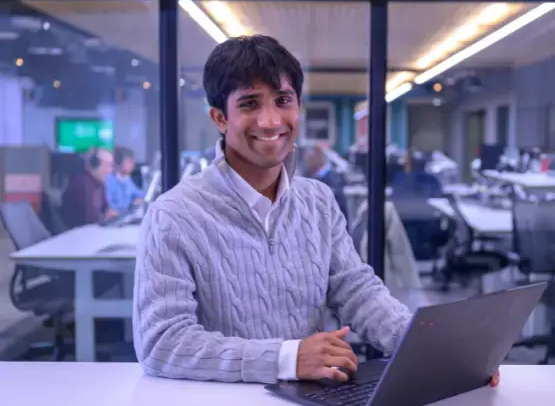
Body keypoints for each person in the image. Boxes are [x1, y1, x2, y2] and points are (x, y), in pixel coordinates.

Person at [133, 34, 500, 387]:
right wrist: (287, 358)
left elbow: (357, 292)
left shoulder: (317, 201)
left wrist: (432, 352)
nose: (271, 121)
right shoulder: (174, 216)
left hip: (312, 395)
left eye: (283, 100)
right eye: (249, 104)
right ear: (220, 118)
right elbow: (163, 342)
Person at [61, 147, 118, 228]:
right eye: (109, 165)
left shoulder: (99, 183)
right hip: (79, 235)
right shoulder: (83, 183)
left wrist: (112, 214)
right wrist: (105, 217)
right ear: (95, 164)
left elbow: (105, 209)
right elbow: (89, 219)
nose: (110, 170)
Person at [302, 144, 349, 223]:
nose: (306, 164)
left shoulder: (332, 180)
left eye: (309, 159)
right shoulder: (316, 178)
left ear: (318, 157)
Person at [105, 146, 145, 213]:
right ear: (119, 162)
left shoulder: (127, 179)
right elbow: (109, 207)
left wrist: (141, 199)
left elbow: (140, 194)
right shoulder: (108, 180)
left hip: (126, 217)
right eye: (130, 161)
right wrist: (130, 205)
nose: (133, 165)